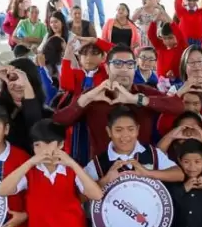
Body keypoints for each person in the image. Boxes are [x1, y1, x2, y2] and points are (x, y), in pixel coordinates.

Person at [53, 45, 185, 157]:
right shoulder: (94, 94)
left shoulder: (143, 92)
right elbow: (59, 121)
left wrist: (136, 99)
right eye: (117, 64)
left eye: (129, 64)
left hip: (142, 169)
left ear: (135, 68)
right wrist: (86, 98)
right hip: (102, 172)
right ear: (107, 68)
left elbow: (179, 106)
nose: (124, 69)